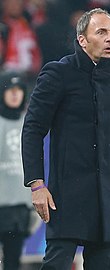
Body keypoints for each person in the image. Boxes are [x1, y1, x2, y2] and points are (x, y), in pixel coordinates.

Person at [21, 8, 110, 270]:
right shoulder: (58, 74)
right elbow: (33, 128)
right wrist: (37, 184)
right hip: (68, 193)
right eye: (101, 32)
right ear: (82, 39)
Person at [0, 71, 32, 270]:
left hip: (20, 209)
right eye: (10, 90)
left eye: (19, 90)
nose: (14, 94)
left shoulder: (30, 124)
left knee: (13, 262)